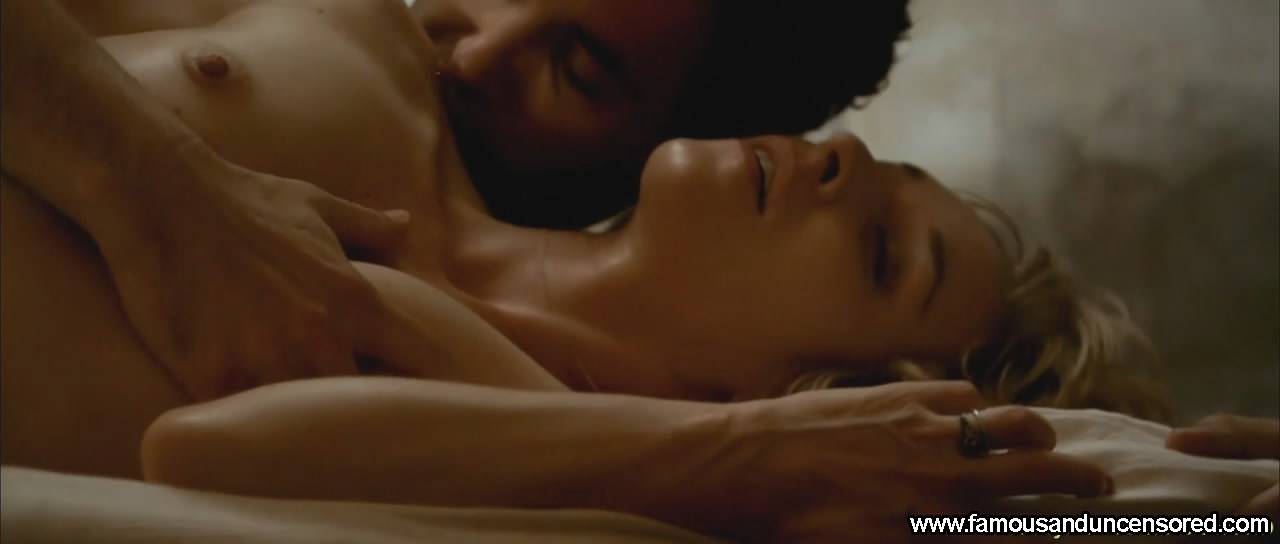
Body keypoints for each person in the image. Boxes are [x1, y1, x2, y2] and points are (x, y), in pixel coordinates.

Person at [2, 0, 1135, 540]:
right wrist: (161, 186)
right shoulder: (343, 29)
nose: (845, 161)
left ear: (824, 398)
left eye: (884, 252)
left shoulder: (545, 422)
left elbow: (213, 449)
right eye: (885, 166)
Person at [0, 0, 911, 401]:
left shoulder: (550, 384)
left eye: (576, 71)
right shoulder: (330, 22)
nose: (474, 51)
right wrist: (157, 188)